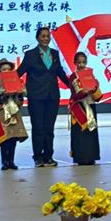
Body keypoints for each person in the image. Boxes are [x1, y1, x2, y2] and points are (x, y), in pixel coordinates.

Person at [17, 27, 70, 167]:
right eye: (43, 36)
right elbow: (19, 72)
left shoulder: (55, 53)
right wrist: (6, 82)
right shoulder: (30, 54)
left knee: (49, 128)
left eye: (48, 36)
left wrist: (75, 86)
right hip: (36, 96)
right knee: (38, 128)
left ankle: (48, 156)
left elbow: (60, 73)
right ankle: (38, 157)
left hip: (52, 96)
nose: (46, 38)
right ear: (37, 38)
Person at [0, 58, 28, 170]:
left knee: (13, 138)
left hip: (15, 113)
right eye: (4, 69)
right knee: (4, 139)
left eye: (8, 69)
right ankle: (4, 161)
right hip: (3, 113)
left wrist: (20, 95)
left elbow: (19, 102)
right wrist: (5, 96)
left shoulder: (17, 82)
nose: (6, 71)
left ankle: (11, 161)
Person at [68, 52, 102, 166]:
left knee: (91, 132)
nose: (81, 65)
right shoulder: (73, 77)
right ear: (75, 63)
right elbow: (74, 95)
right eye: (79, 62)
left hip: (90, 105)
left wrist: (94, 90)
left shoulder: (91, 75)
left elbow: (98, 96)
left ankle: (91, 156)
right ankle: (81, 157)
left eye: (83, 62)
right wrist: (82, 93)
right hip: (79, 107)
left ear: (86, 63)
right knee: (80, 134)